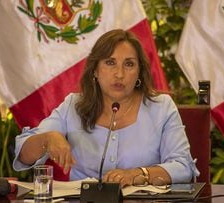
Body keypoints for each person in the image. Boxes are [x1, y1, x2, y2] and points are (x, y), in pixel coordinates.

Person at [13, 29, 199, 187]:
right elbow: (22, 154)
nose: (119, 74)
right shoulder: (73, 106)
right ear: (95, 70)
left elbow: (183, 167)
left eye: (129, 64)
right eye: (110, 63)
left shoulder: (161, 107)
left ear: (139, 72)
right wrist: (47, 138)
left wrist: (138, 174)